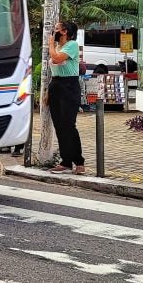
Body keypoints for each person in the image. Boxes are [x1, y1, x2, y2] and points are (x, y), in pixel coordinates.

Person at [44, 21, 86, 174]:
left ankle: (79, 161)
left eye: (56, 29)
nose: (53, 31)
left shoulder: (71, 45)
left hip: (69, 86)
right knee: (59, 125)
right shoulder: (57, 47)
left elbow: (57, 59)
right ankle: (65, 161)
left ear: (64, 31)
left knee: (69, 124)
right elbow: (54, 71)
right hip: (56, 85)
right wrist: (48, 92)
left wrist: (50, 44)